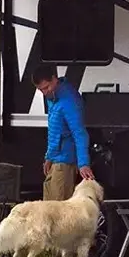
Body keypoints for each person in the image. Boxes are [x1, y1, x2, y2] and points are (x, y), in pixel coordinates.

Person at [33, 67, 93, 201]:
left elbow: (79, 132)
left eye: (46, 87)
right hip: (57, 159)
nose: (45, 92)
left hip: (65, 161)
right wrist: (49, 157)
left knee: (59, 211)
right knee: (49, 209)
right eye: (41, 90)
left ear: (54, 79)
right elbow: (55, 130)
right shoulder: (53, 97)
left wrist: (83, 163)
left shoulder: (69, 100)